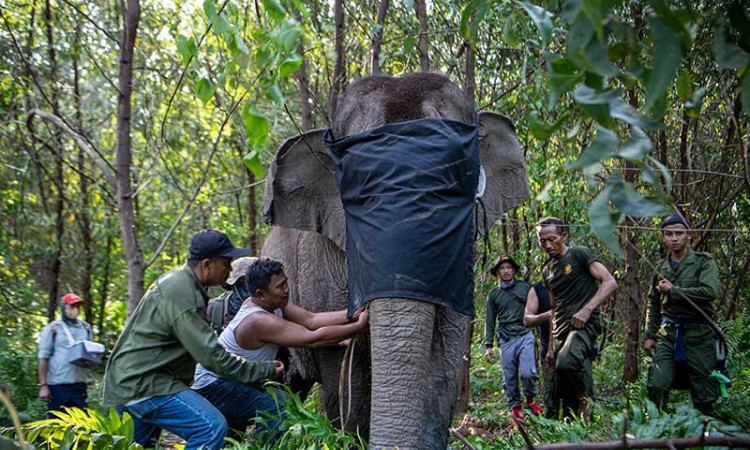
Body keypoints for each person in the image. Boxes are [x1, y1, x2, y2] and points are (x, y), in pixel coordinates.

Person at [102, 229, 284, 450]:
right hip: (144, 384)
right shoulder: (183, 293)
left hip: (130, 380)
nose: (229, 269)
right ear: (207, 265)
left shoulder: (180, 283)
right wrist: (263, 370)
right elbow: (211, 356)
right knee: (211, 428)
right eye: (226, 263)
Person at [192, 257, 369, 443]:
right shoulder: (258, 320)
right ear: (261, 294)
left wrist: (352, 314)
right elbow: (312, 339)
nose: (286, 290)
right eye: (280, 287)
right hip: (213, 384)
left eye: (286, 283)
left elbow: (312, 320)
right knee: (279, 408)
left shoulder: (273, 303)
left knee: (231, 436)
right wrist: (359, 326)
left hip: (231, 379)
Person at [535, 217, 617, 419]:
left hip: (584, 325)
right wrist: (550, 347)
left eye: (552, 239)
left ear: (564, 236)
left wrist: (587, 310)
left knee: (567, 363)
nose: (547, 245)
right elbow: (554, 308)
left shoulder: (579, 254)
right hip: (561, 331)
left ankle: (586, 399)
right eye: (542, 241)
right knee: (561, 388)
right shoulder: (547, 269)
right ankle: (578, 426)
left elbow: (609, 282)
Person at [643, 213, 720, 415]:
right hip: (668, 333)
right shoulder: (660, 267)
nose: (674, 238)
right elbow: (652, 301)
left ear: (689, 235)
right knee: (657, 384)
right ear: (663, 237)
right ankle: (657, 429)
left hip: (699, 333)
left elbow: (709, 292)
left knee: (703, 390)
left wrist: (674, 291)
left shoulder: (703, 262)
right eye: (669, 234)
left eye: (679, 233)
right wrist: (650, 335)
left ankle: (706, 432)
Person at [484, 255, 543, 423]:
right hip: (507, 338)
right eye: (502, 268)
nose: (506, 271)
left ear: (515, 270)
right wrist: (489, 345)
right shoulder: (494, 294)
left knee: (528, 373)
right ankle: (516, 408)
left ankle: (531, 399)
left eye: (509, 267)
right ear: (497, 273)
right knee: (509, 376)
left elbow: (537, 309)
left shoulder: (526, 288)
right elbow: (490, 320)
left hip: (525, 334)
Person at [38, 293, 94, 417]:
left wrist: (90, 363)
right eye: (72, 306)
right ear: (64, 307)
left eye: (77, 306)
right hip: (58, 384)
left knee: (81, 424)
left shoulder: (85, 328)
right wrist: (43, 385)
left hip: (79, 384)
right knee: (56, 424)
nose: (75, 309)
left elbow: (90, 352)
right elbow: (43, 357)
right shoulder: (53, 328)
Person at [523, 282, 555, 418]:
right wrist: (546, 316)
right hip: (547, 350)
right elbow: (527, 319)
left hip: (573, 346)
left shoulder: (574, 283)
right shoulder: (538, 289)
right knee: (551, 395)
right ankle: (552, 427)